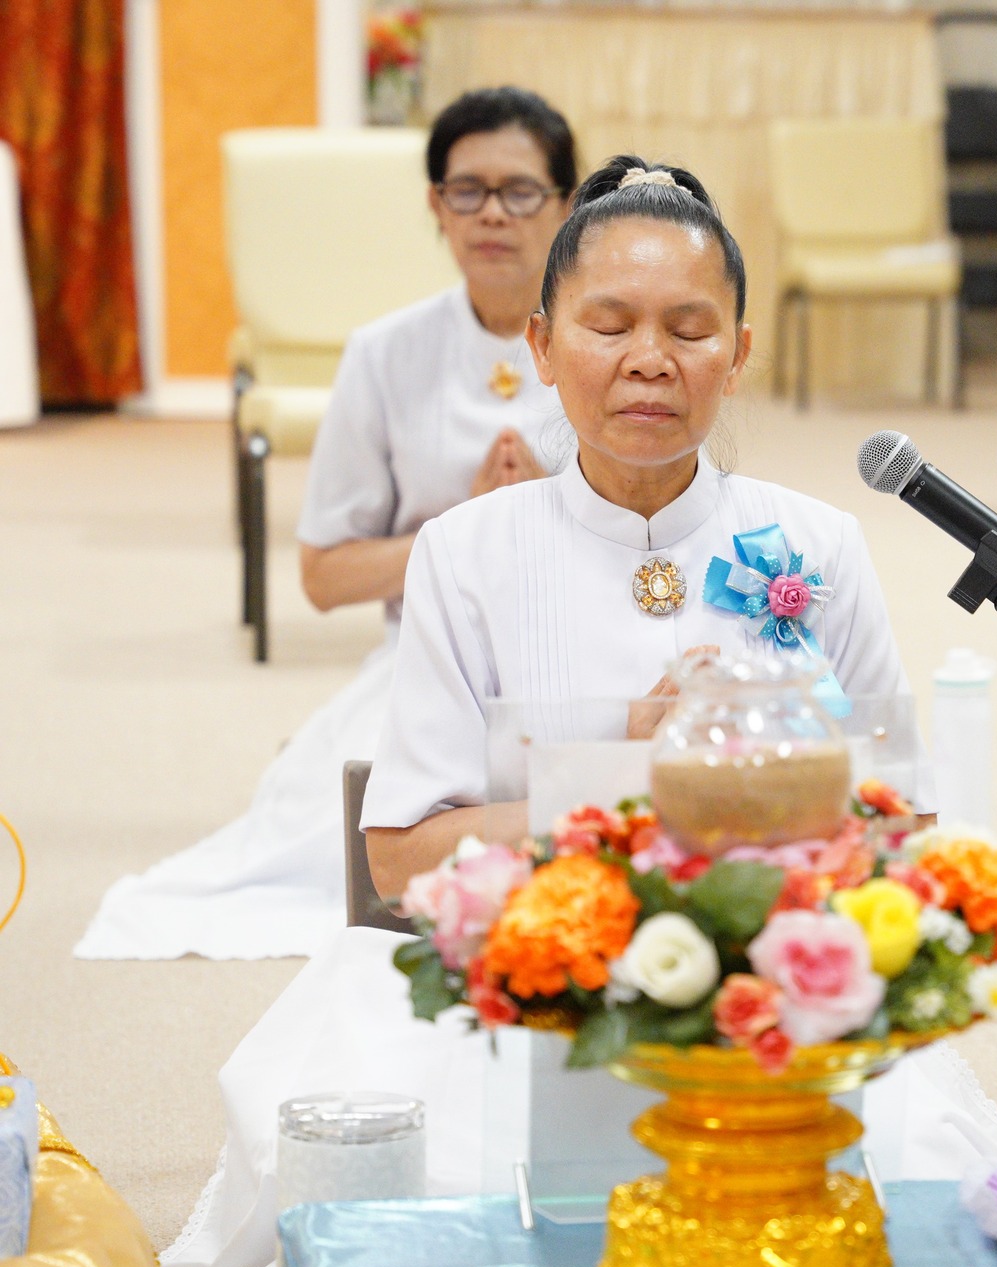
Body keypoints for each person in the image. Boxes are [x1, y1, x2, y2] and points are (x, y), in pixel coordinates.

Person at [75, 88, 578, 960]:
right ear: (436, 206)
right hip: (434, 661)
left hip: (579, 653)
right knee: (324, 849)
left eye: (521, 190)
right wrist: (463, 532)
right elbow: (323, 575)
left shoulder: (606, 341)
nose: (493, 213)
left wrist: (548, 517)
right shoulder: (384, 353)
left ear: (567, 206)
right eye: (467, 190)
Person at [362, 155, 912, 891]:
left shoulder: (822, 545)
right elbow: (399, 862)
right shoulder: (462, 554)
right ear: (542, 346)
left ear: (738, 356)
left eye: (689, 331)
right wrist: (631, 781)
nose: (649, 361)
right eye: (609, 326)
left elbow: (904, 822)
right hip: (555, 943)